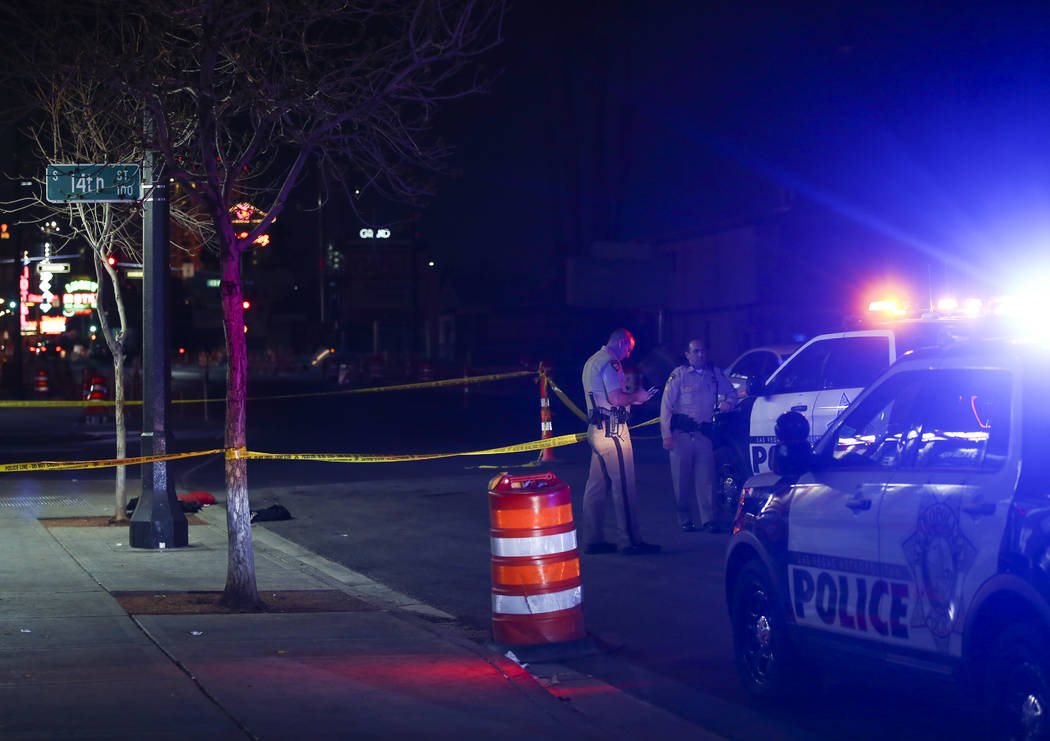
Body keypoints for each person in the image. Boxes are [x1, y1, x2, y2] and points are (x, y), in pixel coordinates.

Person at [581, 329, 661, 556]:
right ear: (622, 342)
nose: (627, 354)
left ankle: (593, 539)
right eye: (628, 348)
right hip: (613, 431)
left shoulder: (591, 361)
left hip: (597, 430)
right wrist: (638, 396)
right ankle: (631, 541)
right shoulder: (611, 362)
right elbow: (615, 398)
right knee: (624, 486)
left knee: (595, 487)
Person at [660, 339, 736, 533]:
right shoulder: (679, 375)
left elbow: (732, 394)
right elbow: (666, 406)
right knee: (681, 481)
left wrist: (728, 403)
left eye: (702, 351)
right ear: (687, 355)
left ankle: (708, 519)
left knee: (706, 480)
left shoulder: (714, 374)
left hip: (703, 435)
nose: (700, 355)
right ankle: (685, 519)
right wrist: (666, 435)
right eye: (695, 351)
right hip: (681, 436)